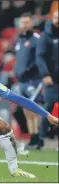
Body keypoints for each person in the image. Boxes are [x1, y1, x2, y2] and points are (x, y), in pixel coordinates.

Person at [14, 13, 43, 148]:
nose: (24, 25)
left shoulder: (37, 39)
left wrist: (29, 70)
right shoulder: (19, 40)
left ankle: (38, 137)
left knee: (33, 108)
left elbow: (40, 58)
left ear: (32, 23)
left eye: (27, 22)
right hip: (22, 80)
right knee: (26, 110)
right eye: (22, 22)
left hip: (33, 79)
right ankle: (33, 137)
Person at [36, 10, 59, 150]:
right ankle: (41, 138)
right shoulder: (45, 36)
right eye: (56, 17)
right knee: (48, 108)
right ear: (52, 18)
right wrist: (45, 74)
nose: (58, 20)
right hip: (51, 79)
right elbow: (40, 57)